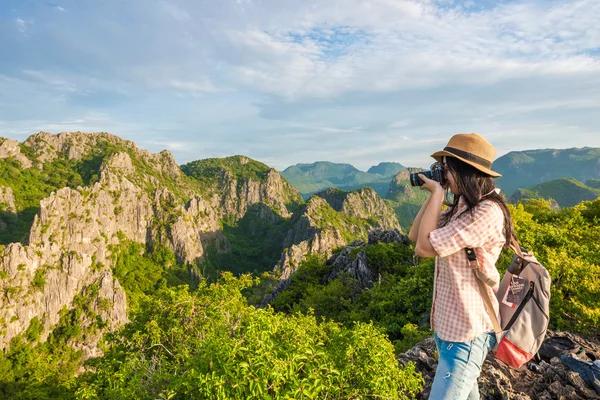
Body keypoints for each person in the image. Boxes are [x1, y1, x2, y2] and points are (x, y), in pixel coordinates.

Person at [407, 133, 515, 399]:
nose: (442, 174)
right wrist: (434, 194)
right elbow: (414, 235)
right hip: (447, 330)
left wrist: (437, 193)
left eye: (446, 169)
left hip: (467, 334)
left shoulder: (486, 212)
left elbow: (424, 248)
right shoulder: (463, 206)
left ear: (464, 171)